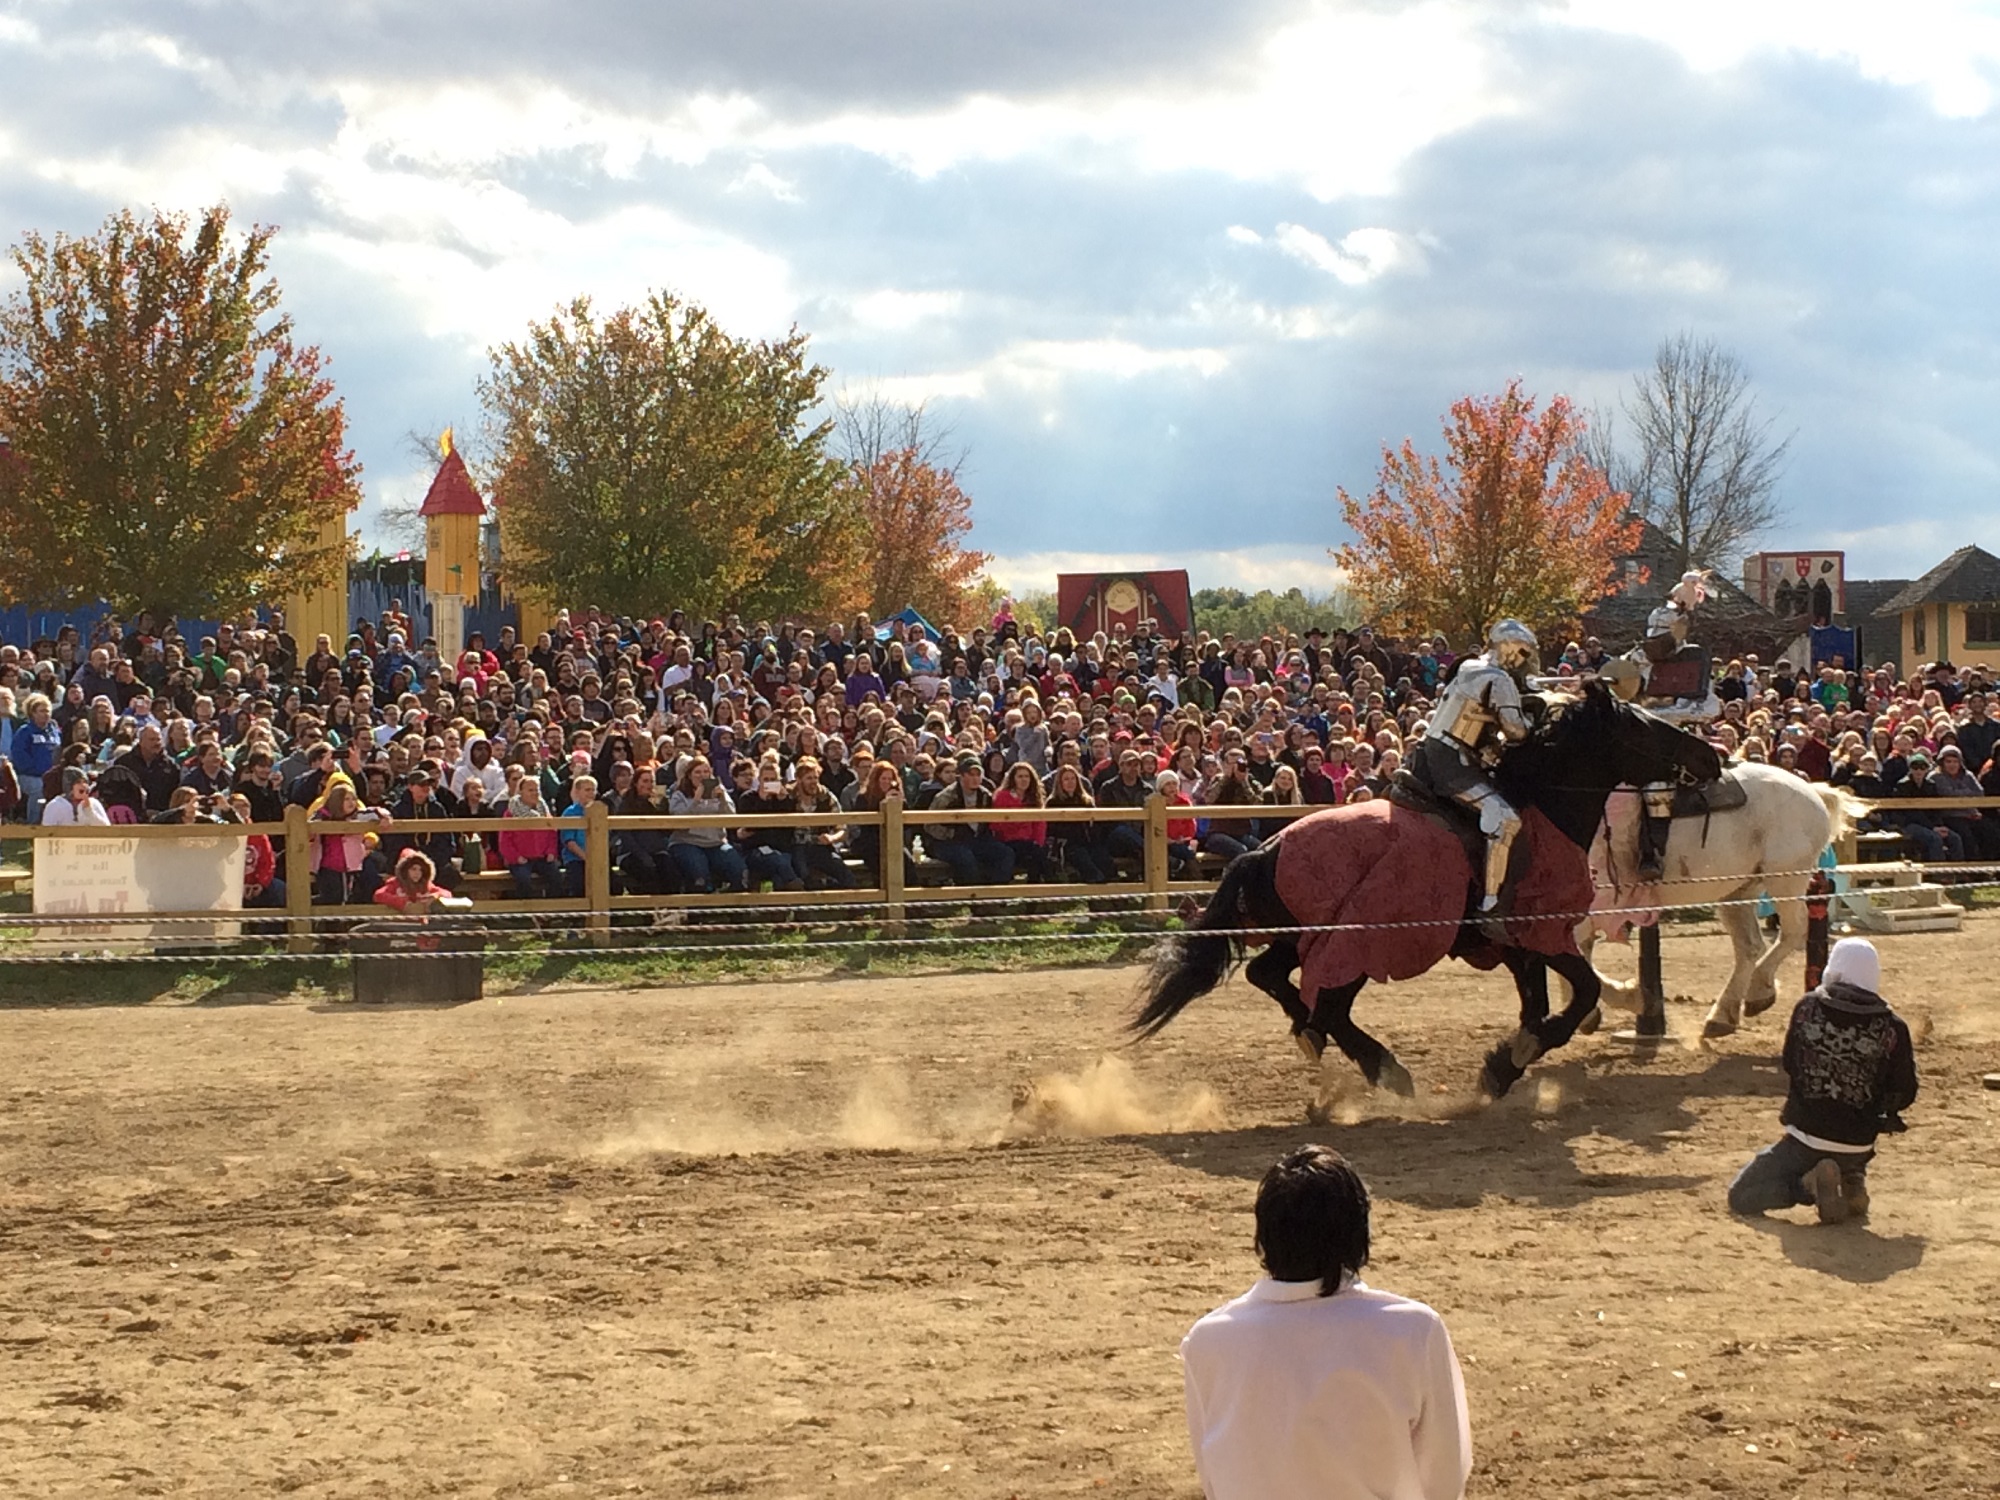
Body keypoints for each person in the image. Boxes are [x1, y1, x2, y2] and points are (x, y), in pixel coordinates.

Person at [1181, 1145, 1471, 1500]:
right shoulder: (1413, 1331)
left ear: (1264, 1239)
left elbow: (1215, 1482)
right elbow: (1444, 1480)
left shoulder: (1207, 1341)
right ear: (1359, 1236)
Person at [1727, 938, 1917, 1224]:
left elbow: (1791, 1063)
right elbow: (1905, 1091)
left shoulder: (1807, 1008)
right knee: (1853, 1129)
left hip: (1806, 1138)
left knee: (1741, 1196)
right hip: (1859, 1144)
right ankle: (1852, 1178)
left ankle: (1808, 1187)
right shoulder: (1893, 1026)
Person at [1407, 619, 1538, 934]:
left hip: (1433, 752)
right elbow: (1516, 731)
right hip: (1453, 762)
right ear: (1509, 647)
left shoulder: (1469, 667)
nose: (1522, 660)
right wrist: (1535, 717)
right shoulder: (1499, 679)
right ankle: (1491, 906)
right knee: (1506, 820)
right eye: (1522, 652)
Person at [924, 752, 1015, 886]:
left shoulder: (985, 795)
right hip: (947, 843)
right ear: (961, 776)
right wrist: (951, 834)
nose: (975, 778)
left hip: (976, 840)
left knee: (1005, 853)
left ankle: (995, 897)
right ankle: (972, 899)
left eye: (978, 775)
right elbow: (929, 825)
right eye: (971, 774)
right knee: (965, 858)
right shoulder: (945, 797)